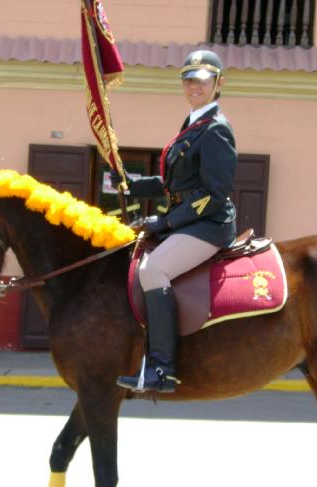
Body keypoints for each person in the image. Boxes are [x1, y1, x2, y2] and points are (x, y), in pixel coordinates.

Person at [112, 49, 238, 393]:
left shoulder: (215, 130)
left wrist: (166, 223)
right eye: (188, 79)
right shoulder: (194, 123)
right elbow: (173, 185)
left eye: (201, 80)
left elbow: (213, 193)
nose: (193, 86)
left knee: (153, 270)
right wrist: (130, 183)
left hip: (208, 224)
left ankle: (162, 369)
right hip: (189, 221)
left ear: (218, 83)